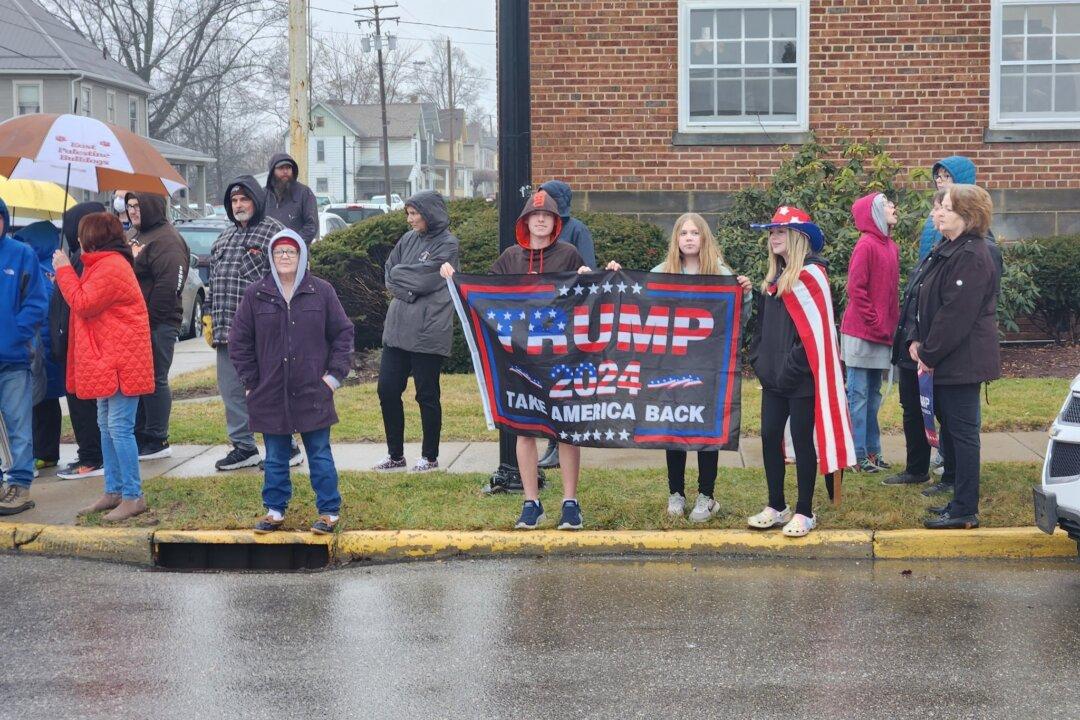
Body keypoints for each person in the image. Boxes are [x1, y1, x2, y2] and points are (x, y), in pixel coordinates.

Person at [441, 189, 592, 530]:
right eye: (534, 216)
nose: (540, 220)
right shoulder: (510, 257)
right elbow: (486, 297)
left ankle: (570, 502)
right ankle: (531, 501)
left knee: (566, 429)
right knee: (525, 430)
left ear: (555, 222)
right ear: (525, 222)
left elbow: (590, 292)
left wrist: (592, 275)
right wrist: (455, 279)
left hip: (560, 356)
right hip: (520, 359)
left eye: (548, 216)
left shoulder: (568, 254)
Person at [609, 213, 752, 521]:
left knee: (706, 431)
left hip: (707, 367)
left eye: (695, 233)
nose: (689, 238)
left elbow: (739, 322)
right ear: (675, 239)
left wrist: (746, 294)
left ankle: (706, 496)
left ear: (704, 239)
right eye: (683, 233)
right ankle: (676, 493)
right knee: (671, 425)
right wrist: (618, 279)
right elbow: (639, 309)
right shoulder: (661, 273)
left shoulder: (721, 274)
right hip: (669, 367)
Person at [229, 229, 354, 534]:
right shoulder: (256, 294)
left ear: (301, 256)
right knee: (275, 456)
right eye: (279, 252)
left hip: (313, 389)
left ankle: (328, 512)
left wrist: (333, 377)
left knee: (319, 453)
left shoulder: (321, 292)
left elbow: (343, 333)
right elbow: (239, 340)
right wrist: (251, 381)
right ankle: (274, 511)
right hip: (269, 391)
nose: (285, 257)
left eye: (291, 252)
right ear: (271, 258)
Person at [746, 207, 854, 537]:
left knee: (802, 442)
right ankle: (776, 505)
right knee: (768, 437)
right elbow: (762, 329)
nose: (773, 237)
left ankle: (805, 511)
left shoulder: (812, 277)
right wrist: (759, 360)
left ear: (798, 238)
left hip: (800, 379)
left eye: (780, 231)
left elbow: (813, 336)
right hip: (772, 377)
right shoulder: (773, 281)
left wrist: (788, 369)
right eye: (771, 232)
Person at [909, 185, 1001, 530]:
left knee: (963, 436)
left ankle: (964, 509)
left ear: (969, 215)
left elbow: (955, 315)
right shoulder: (948, 249)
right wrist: (916, 341)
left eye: (948, 207)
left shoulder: (974, 255)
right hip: (944, 359)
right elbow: (925, 300)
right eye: (941, 206)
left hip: (962, 362)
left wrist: (928, 353)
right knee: (953, 433)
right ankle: (957, 501)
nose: (940, 211)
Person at [53, 212, 154, 521]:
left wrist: (64, 271)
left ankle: (133, 496)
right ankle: (113, 491)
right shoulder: (102, 265)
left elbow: (83, 303)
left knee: (119, 429)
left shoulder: (110, 266)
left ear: (93, 238)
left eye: (83, 235)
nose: (78, 240)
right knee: (106, 427)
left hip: (121, 361)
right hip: (109, 361)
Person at [205, 176, 297, 471]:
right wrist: (208, 315)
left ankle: (288, 446)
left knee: (269, 389)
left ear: (256, 201)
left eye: (244, 199)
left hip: (265, 330)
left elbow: (291, 279)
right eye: (233, 201)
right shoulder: (223, 238)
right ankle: (244, 447)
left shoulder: (275, 234)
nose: (239, 205)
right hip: (226, 331)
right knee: (231, 390)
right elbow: (214, 282)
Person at [373, 191, 459, 473]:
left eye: (414, 214)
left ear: (429, 213)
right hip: (397, 329)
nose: (409, 220)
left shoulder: (448, 244)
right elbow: (389, 273)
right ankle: (395, 455)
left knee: (426, 395)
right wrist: (405, 284)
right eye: (407, 214)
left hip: (428, 330)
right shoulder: (408, 239)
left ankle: (429, 456)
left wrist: (404, 280)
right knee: (386, 389)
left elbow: (425, 279)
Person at [884, 190, 945, 488]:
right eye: (935, 208)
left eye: (940, 209)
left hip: (929, 349)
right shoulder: (932, 256)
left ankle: (948, 473)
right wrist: (909, 339)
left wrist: (923, 343)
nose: (933, 216)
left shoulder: (957, 255)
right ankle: (916, 468)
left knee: (936, 412)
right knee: (912, 410)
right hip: (910, 347)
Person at [536, 180, 597, 470]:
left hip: (567, 315)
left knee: (564, 386)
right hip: (543, 317)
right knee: (548, 385)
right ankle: (551, 441)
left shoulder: (577, 229)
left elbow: (587, 270)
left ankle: (563, 444)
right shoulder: (539, 228)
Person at [126, 192, 190, 460]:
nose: (132, 211)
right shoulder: (137, 235)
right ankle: (141, 433)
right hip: (135, 323)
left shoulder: (167, 239)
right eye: (129, 206)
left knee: (155, 378)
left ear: (152, 206)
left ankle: (157, 437)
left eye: (137, 205)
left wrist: (148, 320)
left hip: (158, 322)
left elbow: (169, 286)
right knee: (141, 381)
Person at [840, 192, 900, 473]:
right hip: (861, 334)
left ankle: (873, 452)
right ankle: (856, 454)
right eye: (886, 204)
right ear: (874, 212)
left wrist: (891, 326)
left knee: (874, 396)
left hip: (881, 335)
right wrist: (877, 322)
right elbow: (856, 289)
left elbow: (891, 294)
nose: (892, 207)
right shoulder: (865, 245)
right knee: (859, 395)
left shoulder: (891, 246)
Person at [0, 198, 50, 516]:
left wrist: (14, 335)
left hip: (14, 359)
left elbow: (37, 303)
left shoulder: (22, 254)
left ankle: (20, 483)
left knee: (18, 423)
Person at [54, 202, 108, 480]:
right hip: (71, 340)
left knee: (82, 402)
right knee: (79, 401)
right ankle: (90, 452)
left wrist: (64, 270)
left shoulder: (82, 259)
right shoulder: (76, 256)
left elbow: (79, 300)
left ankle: (91, 457)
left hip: (80, 342)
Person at [15, 221, 66, 473]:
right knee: (42, 401)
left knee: (40, 402)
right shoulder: (49, 267)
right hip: (47, 346)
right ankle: (44, 451)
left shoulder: (40, 268)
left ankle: (45, 451)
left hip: (41, 348)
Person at [263, 153, 319, 245]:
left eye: (288, 168)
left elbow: (311, 226)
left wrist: (291, 243)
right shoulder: (263, 195)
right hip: (267, 253)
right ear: (273, 171)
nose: (285, 171)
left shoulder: (304, 193)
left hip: (295, 253)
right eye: (281, 168)